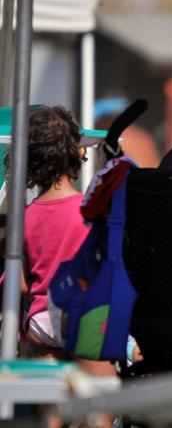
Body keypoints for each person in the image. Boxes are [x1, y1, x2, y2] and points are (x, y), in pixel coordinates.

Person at [1, 106, 118, 377]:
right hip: (79, 316)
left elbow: (20, 283)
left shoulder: (25, 217)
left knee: (51, 397)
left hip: (42, 321)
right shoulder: (92, 211)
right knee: (99, 393)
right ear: (77, 154)